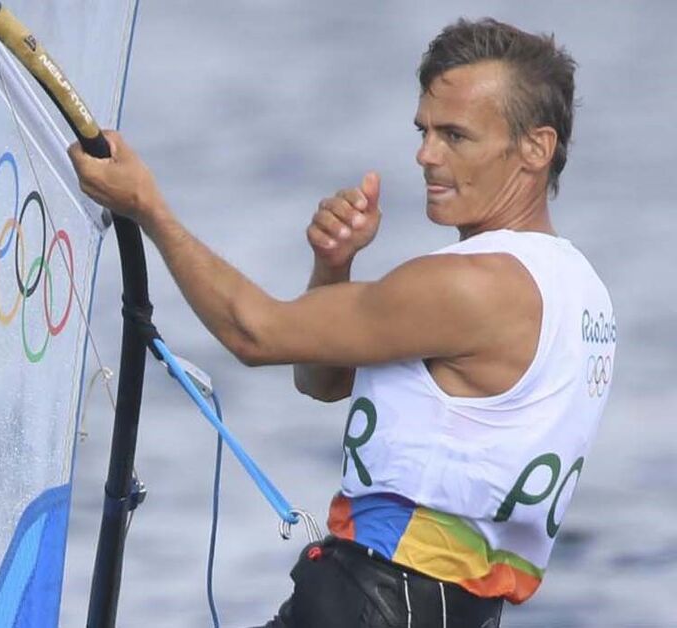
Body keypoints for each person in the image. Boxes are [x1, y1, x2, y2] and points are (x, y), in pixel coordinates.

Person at [69, 18, 616, 628]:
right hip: (454, 611)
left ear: (536, 148)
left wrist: (148, 207)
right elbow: (323, 382)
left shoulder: (472, 285)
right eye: (424, 131)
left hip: (372, 602)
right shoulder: (581, 292)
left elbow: (254, 333)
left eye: (455, 136)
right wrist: (334, 267)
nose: (426, 155)